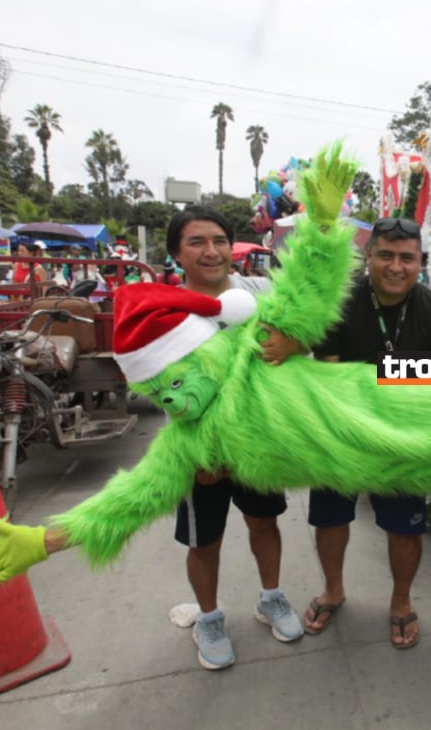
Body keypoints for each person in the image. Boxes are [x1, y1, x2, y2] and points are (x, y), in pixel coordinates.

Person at [302, 217, 431, 650]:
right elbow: (327, 378)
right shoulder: (338, 303)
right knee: (330, 518)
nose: (395, 266)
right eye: (385, 255)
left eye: (406, 258)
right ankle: (333, 589)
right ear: (367, 257)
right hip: (341, 435)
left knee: (406, 528)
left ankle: (402, 600)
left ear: (420, 263)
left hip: (402, 440)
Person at [166, 205, 306, 669]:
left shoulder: (260, 290)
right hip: (198, 451)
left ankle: (271, 598)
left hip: (258, 443)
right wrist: (200, 452)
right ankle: (209, 618)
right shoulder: (167, 311)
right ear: (176, 255)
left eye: (219, 241)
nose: (211, 251)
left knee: (265, 524)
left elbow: (307, 335)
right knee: (203, 541)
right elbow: (162, 385)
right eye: (197, 242)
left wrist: (292, 343)